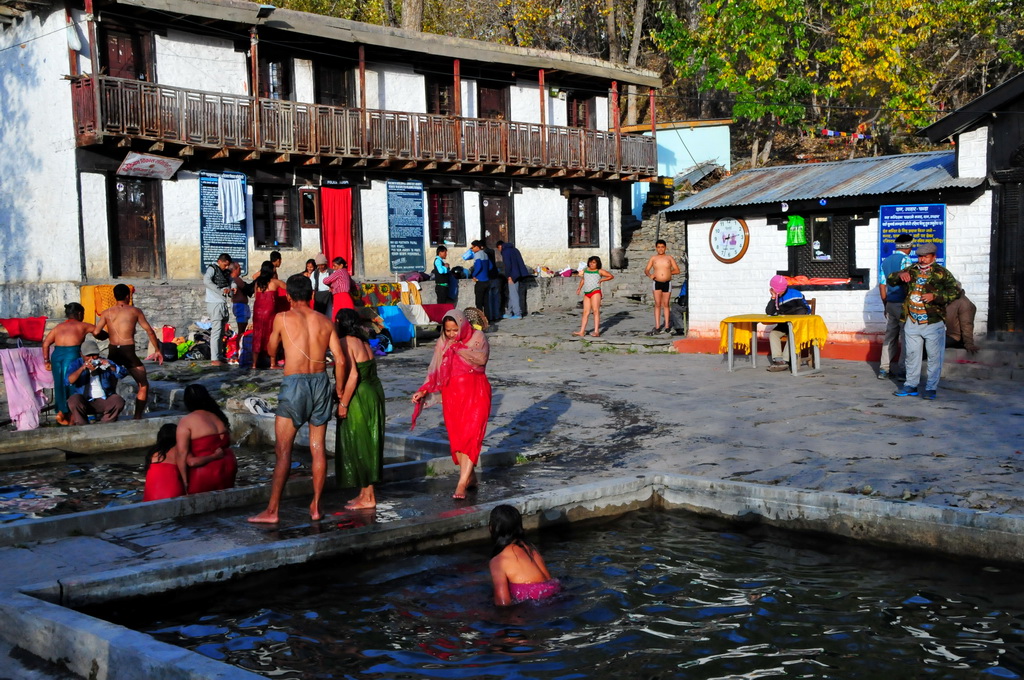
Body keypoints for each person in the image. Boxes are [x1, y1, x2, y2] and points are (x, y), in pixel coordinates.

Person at [249, 274, 346, 523]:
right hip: (321, 382)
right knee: (317, 449)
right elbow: (341, 360)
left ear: (289, 296)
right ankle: (315, 506)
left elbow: (271, 350)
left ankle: (272, 511)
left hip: (295, 384)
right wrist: (340, 392)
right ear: (312, 296)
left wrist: (277, 344)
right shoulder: (325, 321)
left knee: (283, 450)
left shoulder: (282, 318)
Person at [411, 309, 491, 499]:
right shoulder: (442, 343)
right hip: (452, 396)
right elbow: (435, 369)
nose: (452, 334)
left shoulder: (478, 337)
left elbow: (481, 359)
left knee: (472, 436)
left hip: (476, 393)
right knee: (458, 439)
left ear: (463, 325)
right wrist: (423, 390)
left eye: (455, 330)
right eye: (448, 331)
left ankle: (461, 483)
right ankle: (469, 477)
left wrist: (458, 349)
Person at [888, 242, 961, 400]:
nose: (922, 260)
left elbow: (955, 292)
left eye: (925, 257)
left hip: (932, 321)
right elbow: (891, 280)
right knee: (911, 355)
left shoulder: (942, 272)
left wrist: (935, 296)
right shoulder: (912, 269)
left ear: (933, 257)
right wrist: (900, 274)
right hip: (912, 319)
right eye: (920, 256)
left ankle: (931, 387)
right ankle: (910, 385)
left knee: (934, 356)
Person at [334, 309, 386, 510]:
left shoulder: (346, 342)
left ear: (339, 322)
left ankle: (369, 497)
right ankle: (364, 493)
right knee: (369, 440)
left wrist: (343, 403)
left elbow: (354, 376)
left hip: (359, 395)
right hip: (374, 392)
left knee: (361, 443)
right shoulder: (363, 341)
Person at [92, 283, 163, 418]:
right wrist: (157, 349)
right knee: (143, 384)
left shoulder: (107, 313)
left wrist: (108, 336)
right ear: (128, 296)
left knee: (110, 385)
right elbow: (150, 331)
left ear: (114, 296)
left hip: (113, 350)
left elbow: (96, 332)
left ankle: (109, 416)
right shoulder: (135, 311)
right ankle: (137, 417)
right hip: (128, 351)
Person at [488, 505, 559, 606]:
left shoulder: (498, 560)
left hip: (537, 602)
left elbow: (503, 603)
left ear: (492, 528)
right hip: (555, 591)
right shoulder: (529, 547)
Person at [142, 422, 228, 502]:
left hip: (150, 498)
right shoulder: (179, 449)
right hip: (171, 496)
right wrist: (214, 456)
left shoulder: (152, 452)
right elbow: (192, 462)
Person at [42, 302, 96, 425]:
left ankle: (61, 412)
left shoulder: (58, 327)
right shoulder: (83, 325)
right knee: (73, 384)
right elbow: (99, 333)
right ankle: (72, 416)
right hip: (72, 354)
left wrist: (46, 361)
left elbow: (45, 344)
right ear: (79, 313)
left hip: (57, 356)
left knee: (60, 384)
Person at [177, 384, 237, 494]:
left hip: (205, 470)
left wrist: (184, 482)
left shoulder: (186, 421)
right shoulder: (218, 416)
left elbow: (182, 454)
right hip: (228, 466)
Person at [65, 339, 128, 425]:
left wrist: (110, 366)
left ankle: (105, 423)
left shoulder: (104, 361)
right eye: (88, 356)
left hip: (104, 399)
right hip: (85, 400)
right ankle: (82, 425)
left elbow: (123, 373)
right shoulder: (76, 363)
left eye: (94, 355)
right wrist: (82, 368)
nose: (91, 358)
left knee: (118, 401)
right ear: (81, 355)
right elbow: (68, 381)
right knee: (73, 400)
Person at [878, 233, 914, 380]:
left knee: (890, 337)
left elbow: (882, 285)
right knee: (906, 337)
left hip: (890, 303)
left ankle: (884, 369)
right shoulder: (906, 260)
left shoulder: (886, 261)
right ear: (908, 247)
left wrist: (885, 303)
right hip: (903, 303)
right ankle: (902, 370)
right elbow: (908, 282)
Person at [765, 275, 812, 372]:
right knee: (773, 334)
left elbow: (806, 310)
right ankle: (778, 360)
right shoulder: (776, 297)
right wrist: (773, 298)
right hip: (784, 325)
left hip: (797, 326)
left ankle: (785, 361)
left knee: (792, 334)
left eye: (779, 290)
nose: (778, 292)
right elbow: (769, 312)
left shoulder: (795, 295)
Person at [250, 260, 288, 370]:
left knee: (257, 335)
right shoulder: (275, 282)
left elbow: (257, 298)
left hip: (258, 311)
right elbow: (288, 288)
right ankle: (272, 363)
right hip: (270, 311)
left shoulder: (258, 283)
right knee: (272, 335)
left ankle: (254, 364)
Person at [643, 239, 682, 335]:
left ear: (665, 248)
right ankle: (657, 326)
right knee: (657, 304)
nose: (661, 249)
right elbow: (647, 270)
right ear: (656, 248)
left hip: (667, 282)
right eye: (659, 247)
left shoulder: (669, 258)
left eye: (662, 247)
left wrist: (668, 273)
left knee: (666, 304)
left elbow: (677, 270)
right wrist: (650, 275)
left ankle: (667, 326)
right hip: (657, 282)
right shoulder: (653, 258)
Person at [203, 253, 233, 366]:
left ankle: (219, 355)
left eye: (227, 266)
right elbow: (206, 281)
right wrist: (219, 290)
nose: (226, 267)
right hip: (214, 302)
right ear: (219, 261)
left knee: (221, 332)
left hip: (222, 302)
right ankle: (214, 358)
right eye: (225, 265)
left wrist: (231, 289)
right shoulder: (212, 269)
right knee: (216, 331)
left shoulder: (226, 272)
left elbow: (231, 281)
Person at [573, 256, 614, 337]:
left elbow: (610, 276)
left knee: (595, 311)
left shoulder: (599, 271)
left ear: (597, 263)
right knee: (585, 312)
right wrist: (579, 288)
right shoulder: (586, 270)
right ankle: (582, 331)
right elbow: (583, 280)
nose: (591, 264)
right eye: (590, 262)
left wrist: (602, 280)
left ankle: (596, 331)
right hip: (587, 293)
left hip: (595, 292)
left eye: (594, 262)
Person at [497, 241, 530, 319]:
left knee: (514, 295)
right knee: (512, 293)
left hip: (512, 275)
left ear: (500, 246)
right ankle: (509, 312)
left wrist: (508, 276)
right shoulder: (514, 250)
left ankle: (517, 313)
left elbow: (507, 265)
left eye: (498, 248)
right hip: (518, 274)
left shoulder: (505, 252)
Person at [945, 287, 979, 353]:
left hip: (956, 338)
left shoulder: (964, 303)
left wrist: (969, 343)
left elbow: (967, 324)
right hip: (948, 334)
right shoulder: (950, 301)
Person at [470, 241, 492, 321]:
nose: (472, 249)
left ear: (477, 247)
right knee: (486, 302)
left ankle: (480, 320)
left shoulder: (477, 255)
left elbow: (478, 266)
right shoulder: (485, 254)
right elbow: (490, 266)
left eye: (473, 247)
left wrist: (474, 275)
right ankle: (487, 319)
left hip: (480, 281)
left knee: (479, 302)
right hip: (487, 280)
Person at [229, 261, 253, 338]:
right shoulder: (236, 279)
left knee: (242, 329)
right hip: (240, 306)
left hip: (241, 305)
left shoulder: (235, 279)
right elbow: (246, 288)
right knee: (241, 330)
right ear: (234, 269)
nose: (240, 270)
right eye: (239, 268)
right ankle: (239, 346)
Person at [310, 253, 334, 317]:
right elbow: (312, 286)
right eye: (319, 265)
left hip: (329, 295)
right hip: (319, 296)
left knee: (329, 313)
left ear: (325, 264)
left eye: (322, 265)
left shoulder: (332, 272)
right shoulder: (315, 273)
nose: (320, 267)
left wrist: (332, 288)